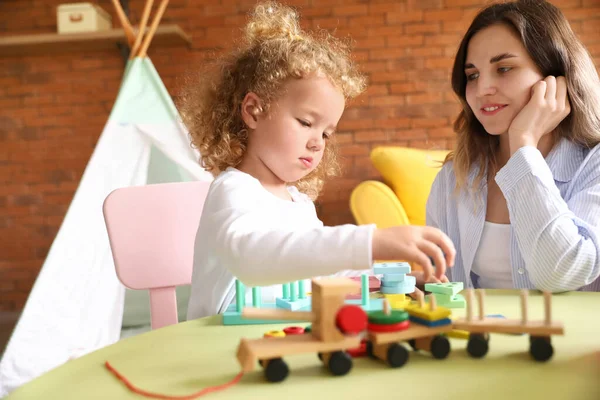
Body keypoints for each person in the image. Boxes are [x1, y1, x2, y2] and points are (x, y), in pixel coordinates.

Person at [181, 1, 456, 320]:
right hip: (218, 348)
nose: (316, 142)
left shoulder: (298, 202)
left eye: (326, 134)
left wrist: (392, 277)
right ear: (254, 110)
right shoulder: (233, 189)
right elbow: (253, 256)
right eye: (306, 122)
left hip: (276, 336)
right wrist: (371, 240)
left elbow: (329, 267)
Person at [426, 0, 600, 292]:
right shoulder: (453, 178)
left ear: (555, 78)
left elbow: (560, 273)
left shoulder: (593, 166)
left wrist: (523, 147)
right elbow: (444, 291)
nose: (482, 90)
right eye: (473, 75)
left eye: (504, 68)